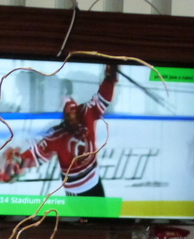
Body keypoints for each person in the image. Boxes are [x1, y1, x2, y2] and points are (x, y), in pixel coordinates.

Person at [12, 63, 119, 196]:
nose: (72, 116)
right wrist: (20, 161)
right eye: (69, 114)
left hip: (94, 180)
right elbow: (37, 153)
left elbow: (103, 98)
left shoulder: (87, 114)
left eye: (74, 112)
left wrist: (110, 79)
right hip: (75, 188)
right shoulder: (57, 135)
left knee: (101, 210)